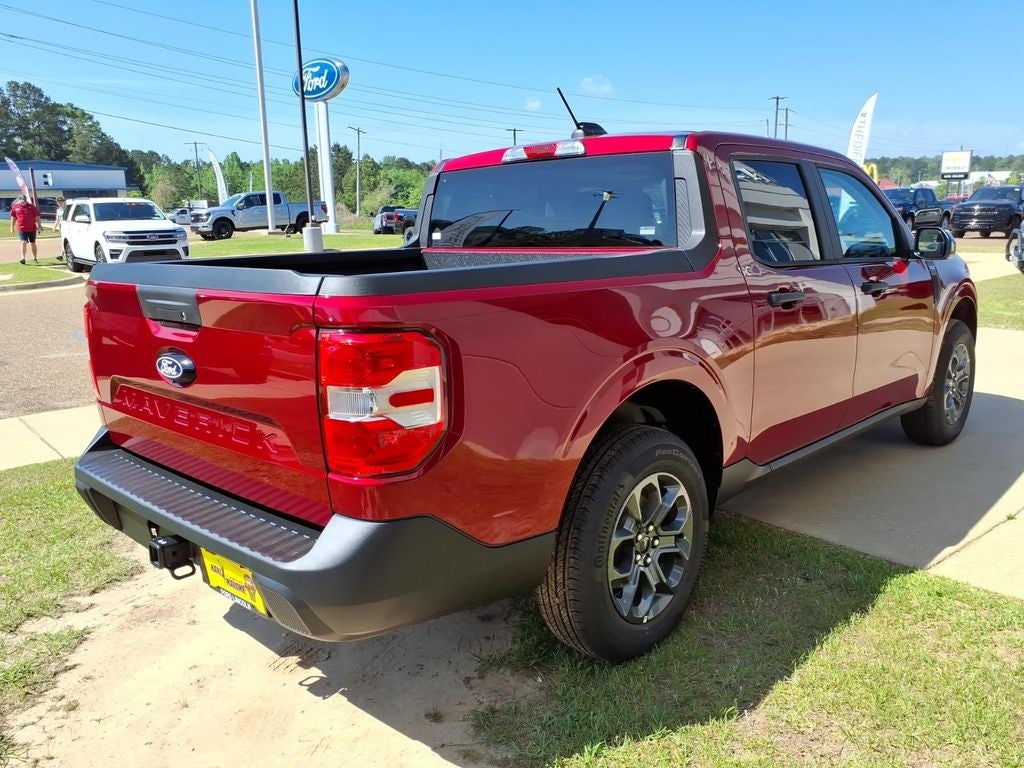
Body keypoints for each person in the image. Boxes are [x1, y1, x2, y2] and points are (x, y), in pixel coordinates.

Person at [10, 194, 41, 264]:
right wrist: (12, 227)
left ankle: (35, 257)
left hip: (32, 228)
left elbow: (37, 217)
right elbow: (13, 218)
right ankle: (23, 258)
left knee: (33, 243)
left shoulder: (32, 207)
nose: (23, 202)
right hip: (22, 228)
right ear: (19, 200)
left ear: (26, 200)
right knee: (23, 242)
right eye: (22, 201)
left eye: (24, 201)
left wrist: (39, 226)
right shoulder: (15, 207)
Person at [52, 196, 66, 261]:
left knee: (66, 241)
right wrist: (54, 226)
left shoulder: (67, 208)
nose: (60, 203)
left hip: (68, 227)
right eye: (59, 202)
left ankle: (62, 255)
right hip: (62, 227)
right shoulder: (58, 210)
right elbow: (57, 220)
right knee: (63, 241)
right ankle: (61, 255)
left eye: (61, 201)